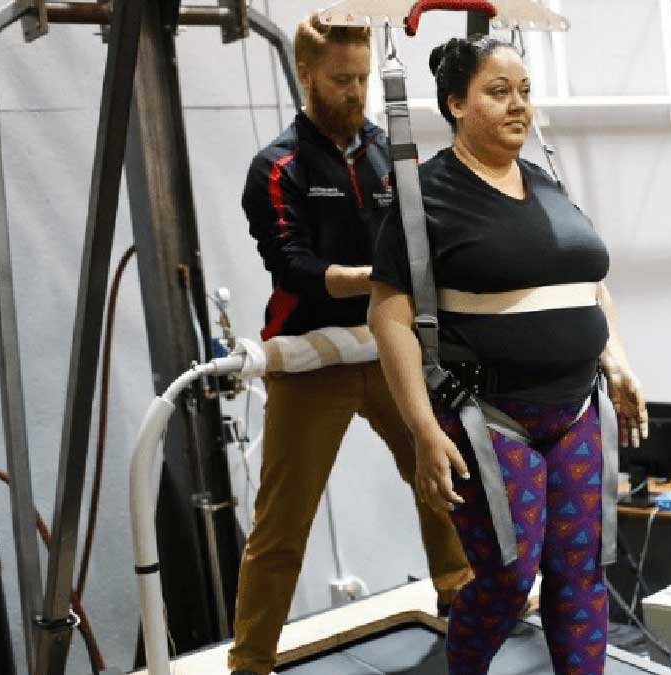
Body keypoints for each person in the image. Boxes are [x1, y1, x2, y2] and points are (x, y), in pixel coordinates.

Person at [368, 35, 647, 675]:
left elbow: (586, 283)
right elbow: (389, 315)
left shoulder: (547, 181)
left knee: (581, 570)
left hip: (577, 409)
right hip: (486, 416)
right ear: (455, 103)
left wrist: (618, 357)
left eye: (524, 91)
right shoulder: (425, 197)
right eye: (498, 93)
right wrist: (419, 430)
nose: (518, 105)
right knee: (507, 577)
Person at [227, 14, 472, 675]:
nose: (356, 91)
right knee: (282, 524)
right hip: (313, 357)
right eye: (341, 80)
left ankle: (463, 599)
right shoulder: (275, 167)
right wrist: (383, 279)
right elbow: (294, 267)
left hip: (390, 350)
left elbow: (424, 233)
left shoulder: (387, 150)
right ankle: (249, 661)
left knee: (441, 477)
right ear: (305, 74)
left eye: (363, 78)